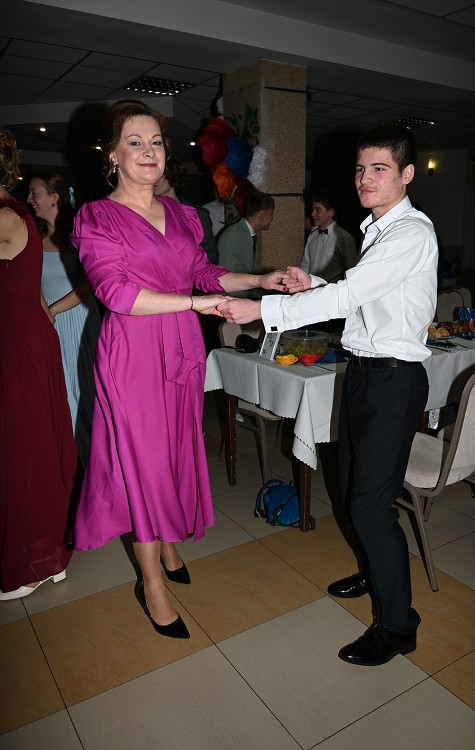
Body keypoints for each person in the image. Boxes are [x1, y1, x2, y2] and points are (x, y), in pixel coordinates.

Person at [218, 124, 438, 666]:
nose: (365, 178)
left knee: (371, 505)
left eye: (379, 169)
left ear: (407, 174)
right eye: (361, 169)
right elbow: (362, 300)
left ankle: (398, 625)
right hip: (364, 374)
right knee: (348, 486)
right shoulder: (378, 231)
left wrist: (263, 308)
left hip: (393, 382)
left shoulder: (410, 233)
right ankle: (373, 571)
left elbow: (352, 294)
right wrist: (312, 284)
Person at [70, 100, 289, 638]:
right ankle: (152, 586)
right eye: (135, 142)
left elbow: (205, 272)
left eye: (156, 142)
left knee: (171, 452)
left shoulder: (183, 214)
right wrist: (195, 304)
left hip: (181, 351)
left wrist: (261, 279)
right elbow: (117, 295)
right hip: (133, 355)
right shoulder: (96, 217)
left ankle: (167, 544)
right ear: (112, 154)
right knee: (142, 463)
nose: (148, 152)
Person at [0, 128, 77, 601]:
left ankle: (37, 559)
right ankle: (43, 551)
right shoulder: (18, 215)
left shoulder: (8, 216)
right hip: (23, 335)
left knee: (27, 448)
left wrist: (53, 311)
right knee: (27, 444)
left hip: (22, 341)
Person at [27, 173, 101, 465]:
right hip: (48, 324)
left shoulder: (79, 234)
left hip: (79, 320)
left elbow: (91, 284)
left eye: (35, 193)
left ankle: (96, 461)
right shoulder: (32, 237)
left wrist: (54, 310)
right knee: (59, 394)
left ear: (54, 197)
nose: (29, 199)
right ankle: (71, 462)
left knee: (85, 392)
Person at [154, 157, 219, 265]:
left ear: (173, 176)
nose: (153, 180)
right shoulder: (146, 212)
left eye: (159, 175)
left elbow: (212, 256)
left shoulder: (199, 214)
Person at [217, 192, 275, 298]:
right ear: (262, 216)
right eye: (271, 214)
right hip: (231, 299)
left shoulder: (248, 234)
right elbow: (224, 275)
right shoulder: (233, 234)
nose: (272, 218)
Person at [300, 188, 357, 284]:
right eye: (313, 209)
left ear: (331, 212)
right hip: (311, 290)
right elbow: (305, 266)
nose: (312, 214)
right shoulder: (312, 236)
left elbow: (352, 271)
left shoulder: (344, 238)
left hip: (333, 291)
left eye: (318, 210)